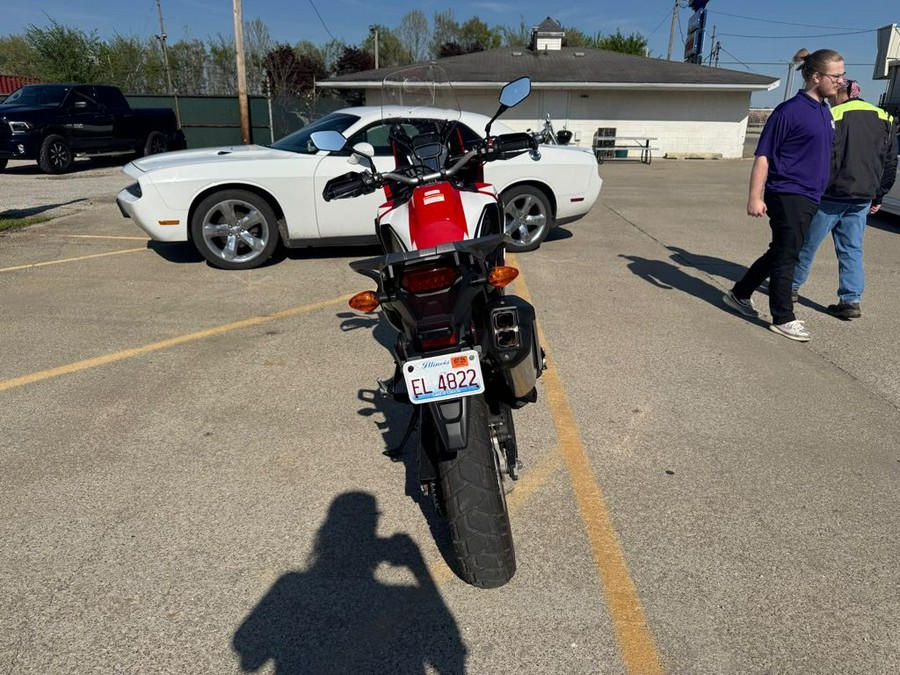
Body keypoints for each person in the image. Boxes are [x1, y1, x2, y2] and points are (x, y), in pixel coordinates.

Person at [722, 48, 844, 342]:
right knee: (789, 254)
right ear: (817, 77)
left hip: (811, 195)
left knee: (780, 250)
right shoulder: (789, 111)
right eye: (836, 76)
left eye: (843, 75)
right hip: (787, 192)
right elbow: (763, 155)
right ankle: (783, 316)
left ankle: (739, 294)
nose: (842, 81)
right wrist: (755, 196)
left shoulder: (824, 111)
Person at [791, 80, 898, 319]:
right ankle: (851, 299)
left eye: (832, 95)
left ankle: (791, 287)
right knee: (852, 248)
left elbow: (817, 155)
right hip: (863, 196)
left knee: (807, 242)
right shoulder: (886, 118)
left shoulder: (832, 115)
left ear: (841, 93)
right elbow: (890, 162)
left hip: (831, 194)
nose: (829, 98)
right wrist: (879, 194)